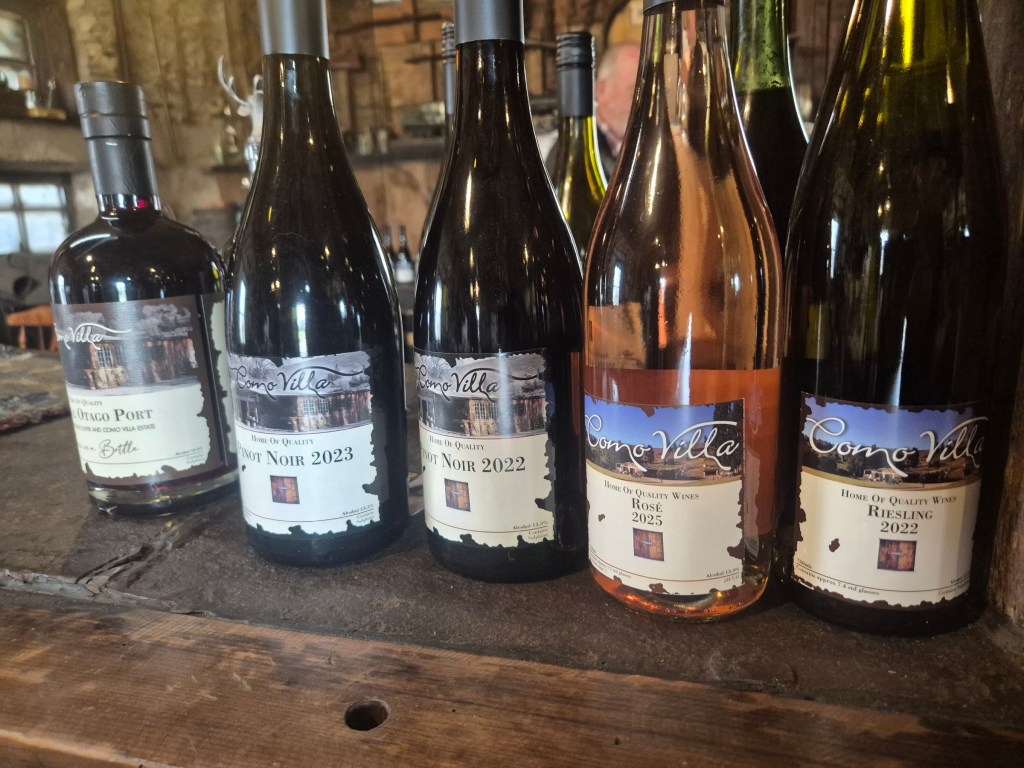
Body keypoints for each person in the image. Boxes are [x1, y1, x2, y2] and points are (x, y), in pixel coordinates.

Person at [594, 42, 640, 179]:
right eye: (634, 93)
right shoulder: (576, 153)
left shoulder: (655, 144)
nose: (645, 105)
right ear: (602, 90)